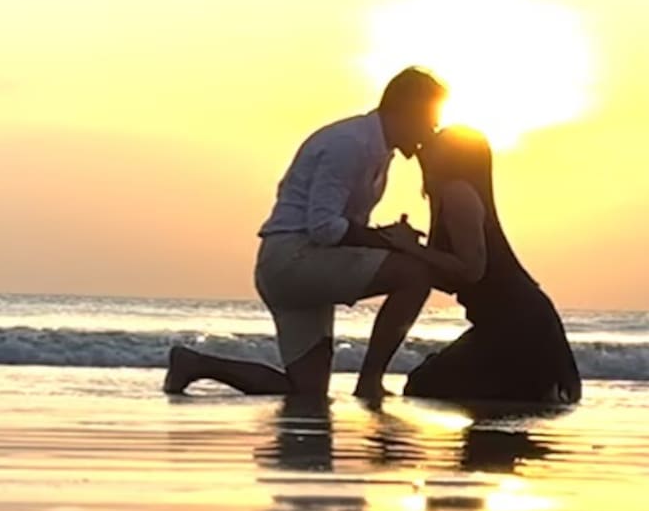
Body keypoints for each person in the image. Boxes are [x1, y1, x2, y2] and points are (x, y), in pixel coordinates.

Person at [164, 67, 447, 400]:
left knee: (306, 392)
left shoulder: (378, 151)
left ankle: (195, 364)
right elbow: (325, 227)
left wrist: (386, 237)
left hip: (300, 262)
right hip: (293, 260)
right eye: (429, 119)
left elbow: (342, 227)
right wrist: (387, 239)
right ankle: (370, 381)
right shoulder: (349, 144)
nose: (432, 130)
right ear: (404, 110)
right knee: (415, 274)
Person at [381, 126, 581, 404]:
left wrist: (410, 248)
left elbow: (471, 269)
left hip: (519, 325)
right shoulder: (447, 195)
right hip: (506, 323)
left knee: (425, 386)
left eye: (437, 143)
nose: (425, 146)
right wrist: (407, 251)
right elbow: (456, 277)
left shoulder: (457, 193)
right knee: (431, 386)